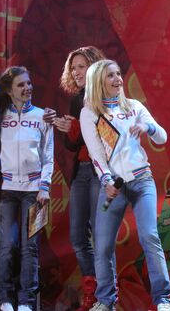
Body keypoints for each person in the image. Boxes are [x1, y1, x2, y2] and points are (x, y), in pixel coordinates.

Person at [79, 59, 170, 311]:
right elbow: (95, 153)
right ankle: (106, 300)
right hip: (113, 186)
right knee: (103, 244)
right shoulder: (90, 112)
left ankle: (163, 300)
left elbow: (162, 137)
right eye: (111, 75)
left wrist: (148, 126)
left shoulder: (133, 106)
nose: (118, 79)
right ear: (99, 81)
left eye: (119, 74)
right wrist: (107, 181)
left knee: (149, 235)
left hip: (142, 180)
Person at [0, 66, 54, 311]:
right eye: (21, 85)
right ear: (9, 90)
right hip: (7, 190)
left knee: (30, 247)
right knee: (6, 246)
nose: (27, 88)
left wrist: (45, 186)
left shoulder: (43, 116)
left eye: (29, 83)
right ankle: (5, 299)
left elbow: (48, 156)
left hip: (34, 191)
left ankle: (26, 302)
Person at [52, 46, 105, 310]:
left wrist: (75, 128)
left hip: (100, 171)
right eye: (73, 68)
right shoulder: (76, 99)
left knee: (100, 233)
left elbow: (104, 135)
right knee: (77, 237)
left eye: (81, 67)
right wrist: (67, 130)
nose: (76, 72)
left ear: (94, 66)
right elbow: (73, 145)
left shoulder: (108, 94)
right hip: (81, 173)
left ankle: (106, 294)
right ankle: (91, 292)